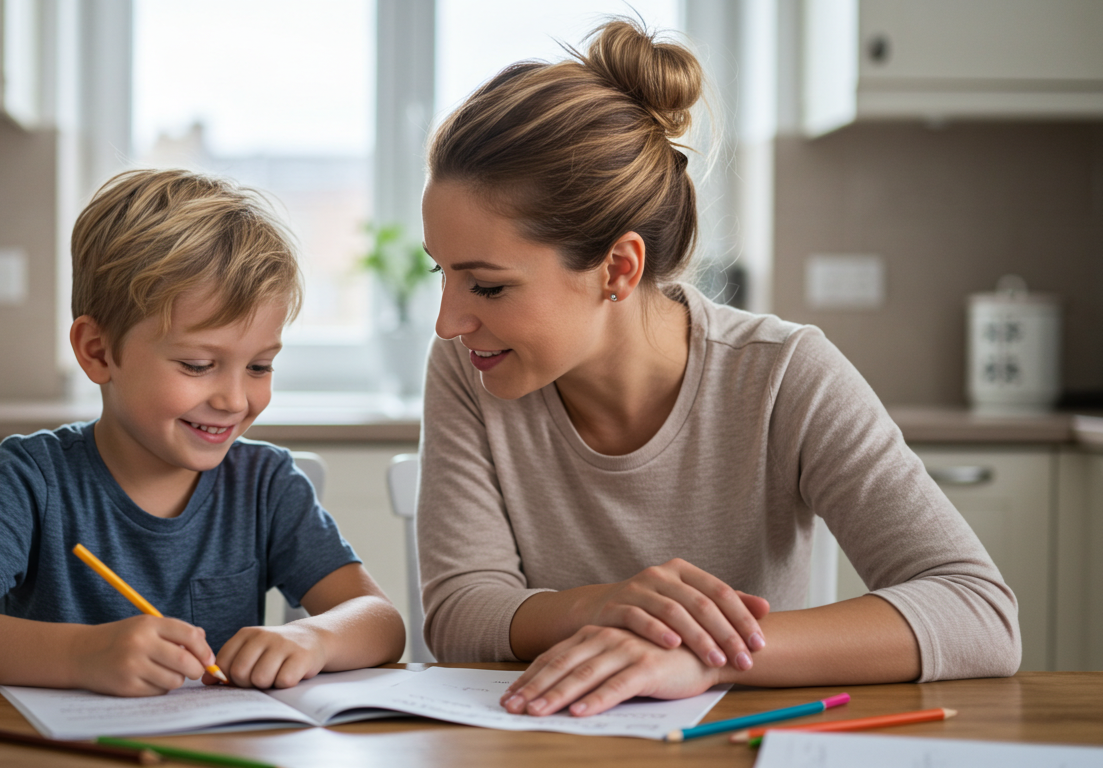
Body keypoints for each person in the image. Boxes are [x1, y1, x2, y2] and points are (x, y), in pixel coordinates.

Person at [417, 18, 1019, 719]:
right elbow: (459, 611)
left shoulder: (783, 375)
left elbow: (977, 611)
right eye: (442, 274)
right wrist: (600, 607)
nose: (448, 321)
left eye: (487, 286)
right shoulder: (468, 368)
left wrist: (705, 656)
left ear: (618, 268)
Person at [0, 169, 405, 696]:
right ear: (98, 352)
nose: (234, 400)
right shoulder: (34, 480)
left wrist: (313, 637)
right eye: (198, 365)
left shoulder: (265, 484)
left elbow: (381, 621)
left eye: (259, 367)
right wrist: (80, 655)